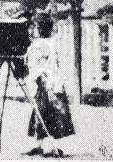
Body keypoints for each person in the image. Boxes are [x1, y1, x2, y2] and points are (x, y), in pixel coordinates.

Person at [24, 10, 75, 157]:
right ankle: (48, 146)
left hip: (46, 81)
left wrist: (35, 75)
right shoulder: (54, 43)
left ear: (40, 28)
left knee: (45, 112)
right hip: (52, 81)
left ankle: (45, 146)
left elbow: (34, 64)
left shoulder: (39, 44)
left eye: (38, 27)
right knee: (51, 113)